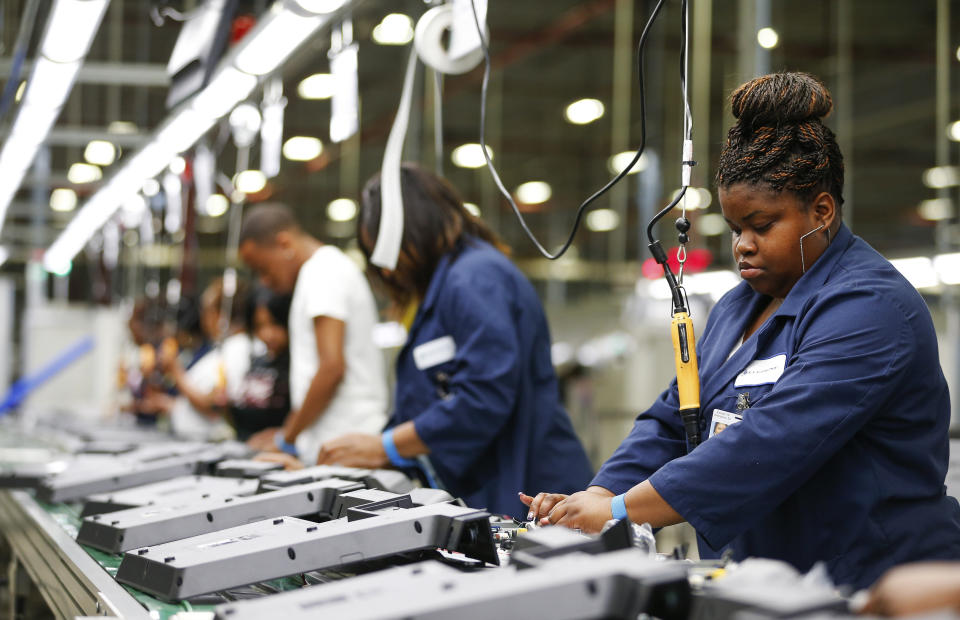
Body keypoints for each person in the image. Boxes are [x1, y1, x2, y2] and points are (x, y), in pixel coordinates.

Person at [523, 72, 960, 588]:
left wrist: (623, 509)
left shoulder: (871, 308)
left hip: (878, 576)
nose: (742, 246)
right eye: (735, 230)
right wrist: (598, 496)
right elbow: (672, 418)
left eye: (762, 225)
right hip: (774, 570)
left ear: (821, 211)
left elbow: (772, 439)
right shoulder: (738, 307)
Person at [316, 163, 593, 518]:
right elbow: (428, 400)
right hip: (491, 484)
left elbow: (483, 397)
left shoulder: (475, 278)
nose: (387, 270)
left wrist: (385, 446)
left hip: (531, 488)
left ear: (417, 228)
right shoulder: (446, 286)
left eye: (391, 252)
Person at [238, 203, 388, 464]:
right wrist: (289, 431)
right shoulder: (322, 271)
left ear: (284, 244)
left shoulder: (323, 273)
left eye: (263, 268)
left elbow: (331, 368)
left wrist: (288, 439)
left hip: (346, 444)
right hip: (338, 442)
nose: (264, 281)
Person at [161, 278, 252, 440]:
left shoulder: (238, 349)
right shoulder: (223, 349)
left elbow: (214, 405)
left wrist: (175, 371)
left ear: (222, 314)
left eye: (207, 310)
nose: (204, 318)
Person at [229, 287, 292, 441]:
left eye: (275, 323)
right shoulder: (258, 363)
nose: (267, 334)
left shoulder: (298, 368)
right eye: (259, 326)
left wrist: (282, 437)